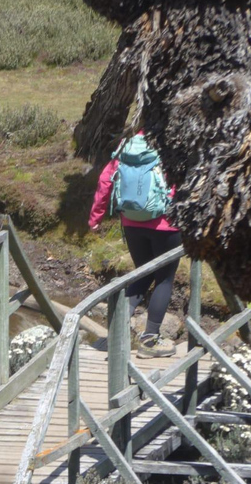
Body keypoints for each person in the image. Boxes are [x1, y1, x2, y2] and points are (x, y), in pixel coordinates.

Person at [88, 131, 181, 358]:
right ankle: (149, 341)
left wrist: (96, 217)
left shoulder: (127, 145)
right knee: (164, 279)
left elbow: (105, 179)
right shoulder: (173, 141)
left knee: (141, 275)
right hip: (166, 223)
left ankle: (114, 336)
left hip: (131, 222)